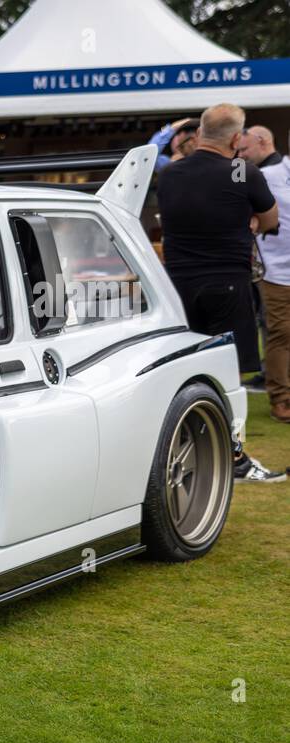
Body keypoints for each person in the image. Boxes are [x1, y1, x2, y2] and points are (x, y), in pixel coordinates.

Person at [156, 102, 285, 482]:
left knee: (184, 374)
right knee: (227, 378)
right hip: (227, 283)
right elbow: (272, 219)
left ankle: (188, 451)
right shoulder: (241, 170)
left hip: (177, 286)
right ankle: (236, 459)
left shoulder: (172, 172)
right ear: (234, 138)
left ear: (199, 135)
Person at [240, 125, 290, 423]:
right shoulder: (256, 173)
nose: (242, 155)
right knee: (281, 333)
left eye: (246, 149)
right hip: (277, 270)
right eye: (240, 149)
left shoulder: (275, 169)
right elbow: (233, 190)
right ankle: (281, 399)